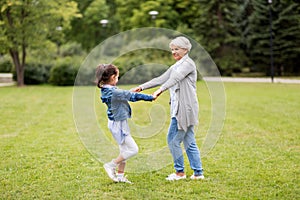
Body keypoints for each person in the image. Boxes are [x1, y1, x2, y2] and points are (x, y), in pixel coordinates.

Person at [133, 36, 204, 181]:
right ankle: (198, 173)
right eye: (172, 50)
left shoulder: (188, 64)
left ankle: (180, 173)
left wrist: (160, 90)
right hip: (180, 107)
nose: (173, 52)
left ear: (185, 50)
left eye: (176, 49)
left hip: (185, 109)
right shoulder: (176, 65)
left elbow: (174, 79)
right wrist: (141, 87)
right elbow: (161, 78)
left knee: (172, 140)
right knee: (189, 140)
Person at [95, 64, 156, 183]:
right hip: (118, 125)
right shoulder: (113, 92)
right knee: (133, 150)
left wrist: (129, 92)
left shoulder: (107, 90)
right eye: (117, 77)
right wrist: (150, 97)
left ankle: (120, 176)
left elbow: (122, 94)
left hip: (116, 123)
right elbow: (132, 96)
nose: (118, 79)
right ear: (112, 77)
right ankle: (111, 165)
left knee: (124, 151)